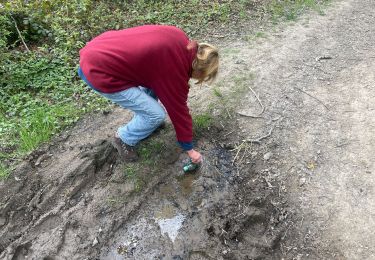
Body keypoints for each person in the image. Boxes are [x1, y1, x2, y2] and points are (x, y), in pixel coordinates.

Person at [78, 25, 219, 163]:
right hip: (100, 73)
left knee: (157, 84)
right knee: (156, 115)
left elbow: (155, 71)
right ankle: (123, 138)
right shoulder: (174, 70)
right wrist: (189, 149)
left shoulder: (179, 37)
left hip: (100, 47)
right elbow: (179, 111)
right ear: (199, 70)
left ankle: (145, 121)